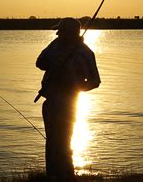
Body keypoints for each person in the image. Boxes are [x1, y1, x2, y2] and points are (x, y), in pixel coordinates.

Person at [35, 17, 100, 181]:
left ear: (70, 33)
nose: (57, 34)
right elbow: (40, 62)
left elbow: (95, 81)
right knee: (51, 141)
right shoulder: (55, 45)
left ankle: (66, 175)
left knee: (63, 141)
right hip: (50, 101)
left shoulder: (85, 53)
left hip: (69, 102)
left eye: (61, 31)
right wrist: (54, 63)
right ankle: (53, 175)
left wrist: (73, 86)